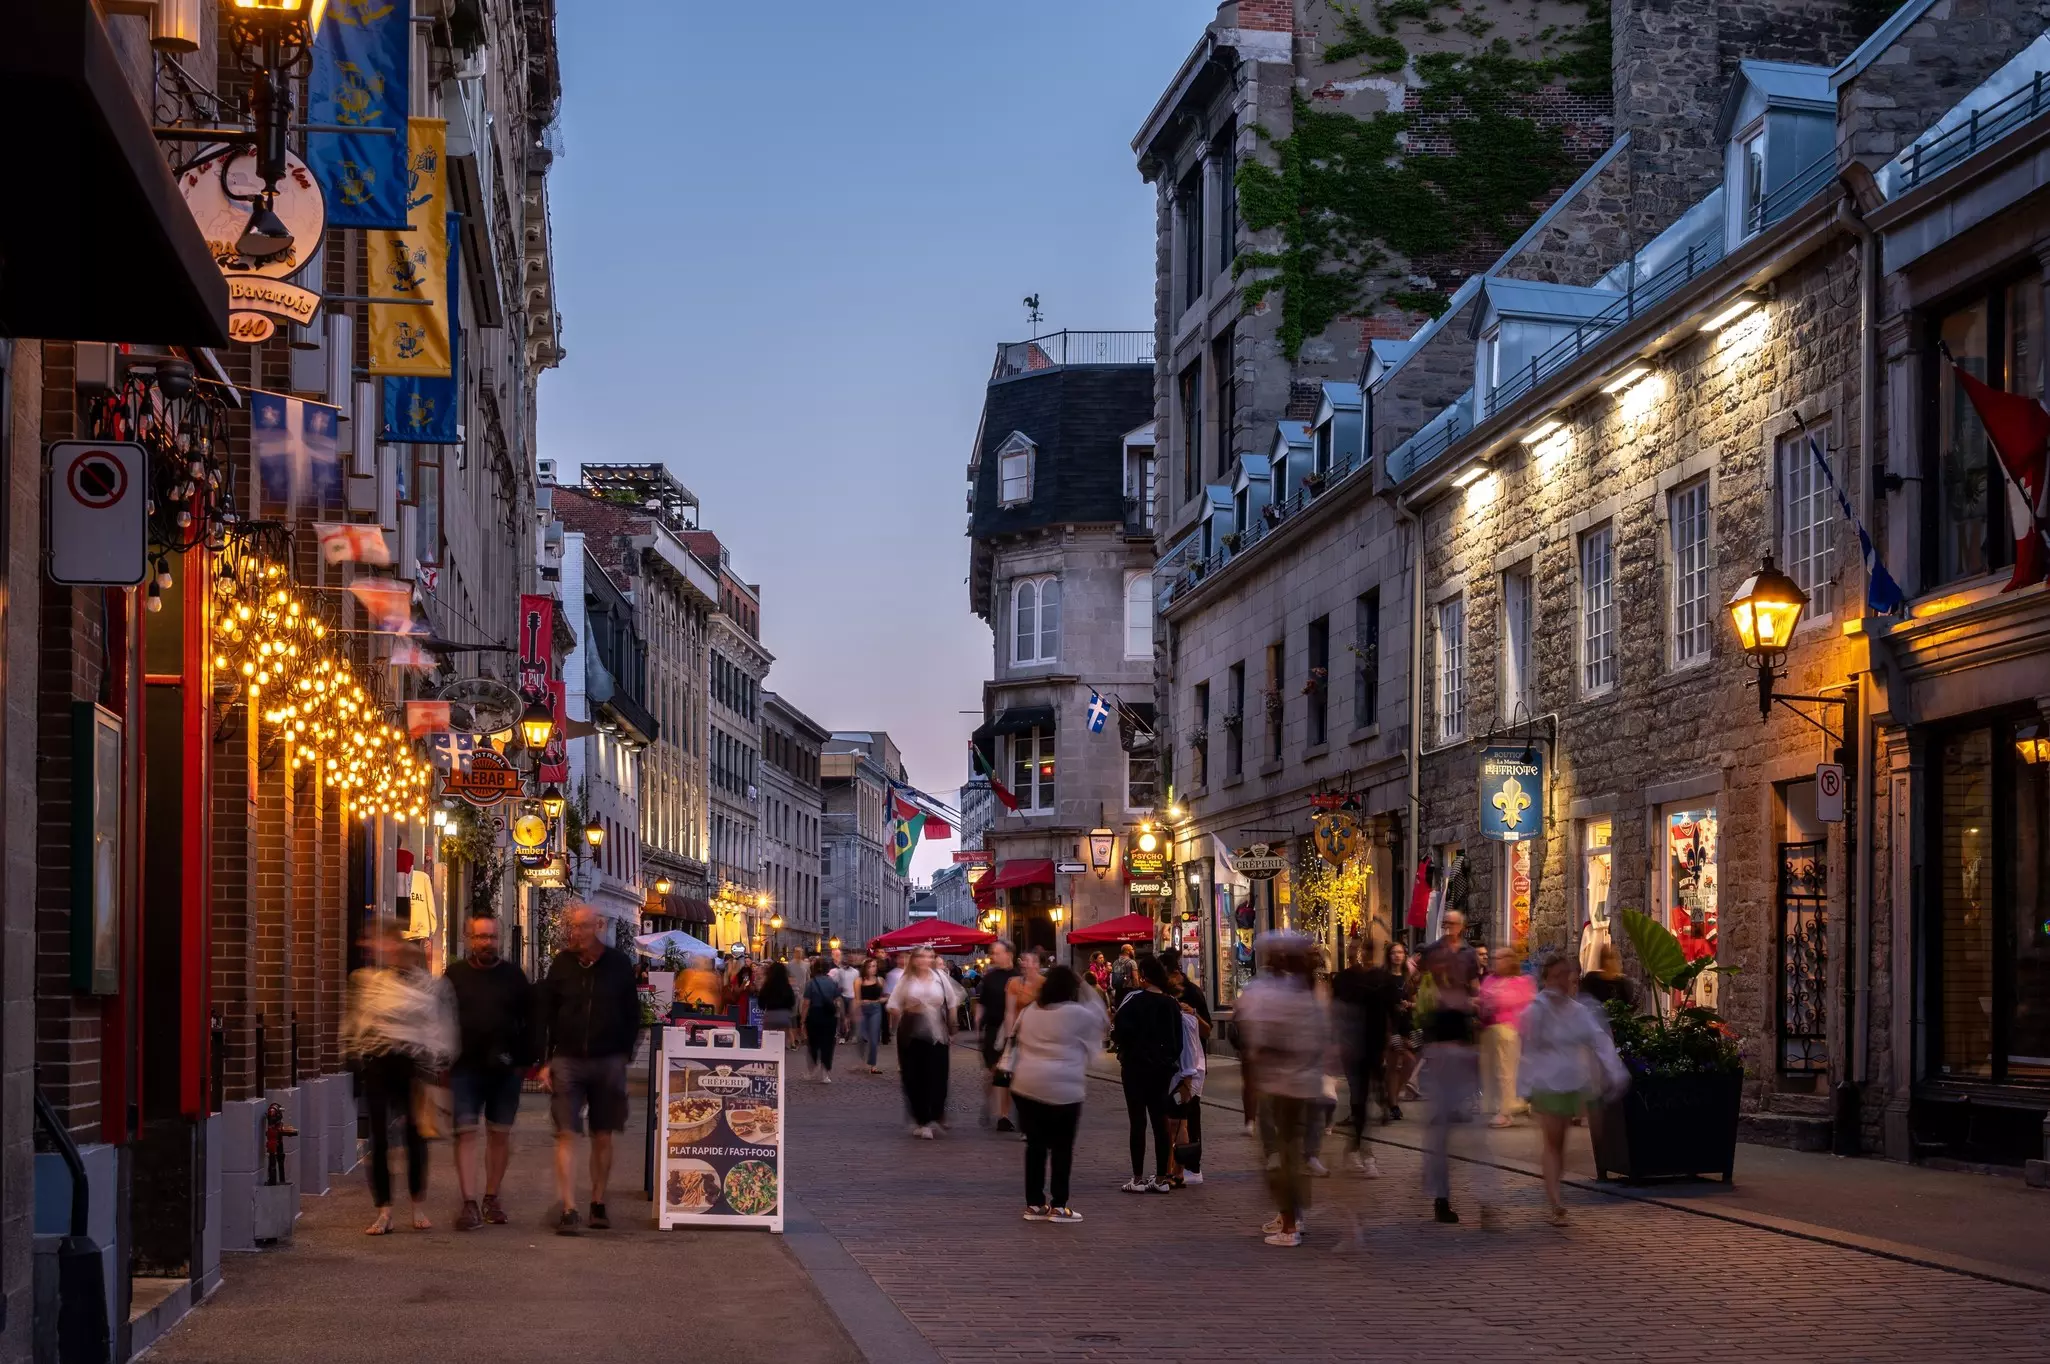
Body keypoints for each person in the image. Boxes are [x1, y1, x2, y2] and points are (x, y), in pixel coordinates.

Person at [342, 920, 457, 1235]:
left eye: (400, 949)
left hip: (413, 1067)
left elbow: (438, 1027)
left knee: (414, 1137)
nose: (394, 953)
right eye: (389, 947)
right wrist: (356, 1049)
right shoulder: (372, 982)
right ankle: (384, 1211)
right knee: (378, 1138)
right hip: (379, 1064)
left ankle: (418, 1205)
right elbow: (359, 1021)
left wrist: (436, 1064)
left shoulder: (428, 986)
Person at [537, 903, 641, 1234]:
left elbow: (632, 1013)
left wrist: (624, 1053)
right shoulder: (563, 964)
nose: (576, 933)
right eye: (573, 927)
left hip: (608, 1059)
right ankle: (568, 1207)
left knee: (603, 1134)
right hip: (567, 1059)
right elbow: (548, 1012)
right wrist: (545, 1059)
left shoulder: (618, 965)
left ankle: (598, 1201)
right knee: (566, 1132)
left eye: (582, 927)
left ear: (598, 926)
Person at [1519, 950, 1628, 1223]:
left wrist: (1616, 1073)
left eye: (1564, 977)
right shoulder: (1537, 1009)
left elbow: (1600, 1041)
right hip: (1546, 1082)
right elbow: (1527, 1049)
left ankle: (1556, 1192)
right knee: (1553, 1141)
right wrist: (1525, 1084)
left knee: (1563, 1142)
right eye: (1554, 976)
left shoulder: (1579, 1012)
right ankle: (1555, 1201)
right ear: (1545, 979)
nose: (1560, 982)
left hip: (1573, 1082)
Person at [1235, 933, 1328, 1247]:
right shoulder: (1306, 991)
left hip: (1280, 1084)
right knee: (1291, 1151)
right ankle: (1290, 1214)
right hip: (1304, 1083)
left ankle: (1290, 1224)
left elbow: (1256, 1037)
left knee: (1280, 1154)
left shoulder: (1271, 991)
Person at [444, 914, 534, 1230]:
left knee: (499, 1134)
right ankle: (469, 1203)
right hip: (464, 1068)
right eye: (481, 937)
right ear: (469, 939)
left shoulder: (513, 977)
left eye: (492, 937)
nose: (487, 943)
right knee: (466, 1133)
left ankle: (491, 1197)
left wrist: (525, 1061)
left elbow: (532, 1022)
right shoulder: (454, 975)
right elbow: (441, 1019)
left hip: (505, 1070)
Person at [1007, 965, 1107, 1224]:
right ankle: (1059, 1205)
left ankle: (1034, 1204)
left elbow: (1014, 1037)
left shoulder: (1030, 1011)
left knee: (1035, 1146)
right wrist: (1085, 985)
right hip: (1064, 1087)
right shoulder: (1077, 1013)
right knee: (1062, 1147)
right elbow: (1101, 1017)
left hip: (1027, 1084)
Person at [1419, 909, 1490, 1227]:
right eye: (1444, 924)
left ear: (1461, 928)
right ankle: (1441, 1197)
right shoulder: (1432, 953)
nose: (1447, 928)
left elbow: (1476, 990)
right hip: (1441, 1048)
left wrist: (1474, 1003)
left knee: (1475, 1133)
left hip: (1462, 1044)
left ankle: (1486, 1199)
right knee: (1442, 1132)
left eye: (1452, 924)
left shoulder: (1467, 955)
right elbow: (1417, 986)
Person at [1111, 954, 1182, 1193]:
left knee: (1137, 1121)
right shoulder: (1171, 1003)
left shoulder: (1133, 999)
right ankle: (1162, 1177)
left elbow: (1117, 1030)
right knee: (1160, 1121)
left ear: (1143, 976)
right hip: (1161, 1070)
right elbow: (1177, 1042)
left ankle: (1138, 1178)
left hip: (1134, 1067)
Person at [1330, 939, 1394, 1176]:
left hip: (1373, 1045)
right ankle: (1364, 1152)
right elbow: (1336, 1012)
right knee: (1360, 1097)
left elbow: (1387, 1013)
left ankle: (1355, 1147)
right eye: (1356, 950)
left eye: (1366, 950)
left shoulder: (1380, 979)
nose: (1361, 954)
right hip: (1353, 1045)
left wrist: (1387, 1042)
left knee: (1368, 1097)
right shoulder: (1345, 979)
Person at [888, 947, 962, 1137]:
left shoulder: (939, 977)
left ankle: (935, 1113)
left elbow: (952, 1001)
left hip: (937, 1031)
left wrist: (952, 1026)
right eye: (921, 956)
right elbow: (892, 1004)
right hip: (911, 1030)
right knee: (913, 1077)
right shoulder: (906, 980)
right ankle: (922, 1119)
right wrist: (909, 1008)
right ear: (914, 959)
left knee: (937, 1075)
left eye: (929, 956)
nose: (925, 960)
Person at [1478, 944, 1535, 1127]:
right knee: (1491, 1073)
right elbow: (1484, 999)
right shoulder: (1489, 979)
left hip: (1508, 1030)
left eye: (1500, 958)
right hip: (1489, 1031)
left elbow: (1506, 1000)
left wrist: (1492, 1000)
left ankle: (1506, 1111)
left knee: (1506, 1073)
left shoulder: (1521, 981)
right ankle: (1505, 1106)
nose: (1495, 962)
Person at [974, 942, 1020, 1130]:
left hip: (1012, 1029)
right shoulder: (990, 977)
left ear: (1008, 954)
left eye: (997, 953)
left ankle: (1004, 1115)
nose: (993, 956)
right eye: (992, 953)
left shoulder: (1018, 976)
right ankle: (990, 1102)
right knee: (992, 1071)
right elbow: (982, 1001)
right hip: (992, 1029)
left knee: (1006, 1073)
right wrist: (978, 1018)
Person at [1384, 940, 1418, 1116]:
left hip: (1405, 1023)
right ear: (1388, 956)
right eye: (1393, 953)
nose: (1397, 956)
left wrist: (1409, 1004)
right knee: (1393, 1064)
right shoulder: (1384, 978)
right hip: (1390, 1025)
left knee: (1410, 1062)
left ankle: (1392, 1098)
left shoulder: (1406, 978)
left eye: (1400, 952)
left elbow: (1415, 1000)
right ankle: (1393, 1104)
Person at [801, 957, 842, 1081]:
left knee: (813, 1043)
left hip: (815, 1014)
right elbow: (838, 1001)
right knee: (828, 1044)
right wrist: (838, 1015)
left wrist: (802, 1020)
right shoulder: (832, 982)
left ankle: (811, 1070)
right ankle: (825, 1073)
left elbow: (806, 1003)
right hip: (829, 1016)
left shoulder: (811, 983)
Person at [1580, 943, 1641, 1013]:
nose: (1608, 962)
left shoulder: (1624, 983)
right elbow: (1584, 1002)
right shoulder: (1591, 979)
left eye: (1612, 958)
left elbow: (1628, 1009)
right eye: (1606, 957)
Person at [854, 957, 887, 1072]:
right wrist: (861, 1003)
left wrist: (881, 1000)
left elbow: (885, 996)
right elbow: (857, 999)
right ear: (865, 968)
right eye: (870, 966)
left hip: (875, 1009)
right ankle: (861, 1060)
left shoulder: (880, 980)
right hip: (863, 1009)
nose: (873, 969)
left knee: (874, 1038)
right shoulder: (859, 981)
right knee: (861, 1037)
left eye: (874, 966)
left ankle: (873, 1065)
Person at [831, 950, 860, 1042]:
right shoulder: (838, 971)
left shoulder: (855, 972)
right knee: (842, 1016)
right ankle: (842, 1036)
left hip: (852, 996)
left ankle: (853, 1035)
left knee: (852, 1016)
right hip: (842, 996)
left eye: (848, 960)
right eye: (845, 960)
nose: (846, 961)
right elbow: (833, 983)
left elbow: (858, 984)